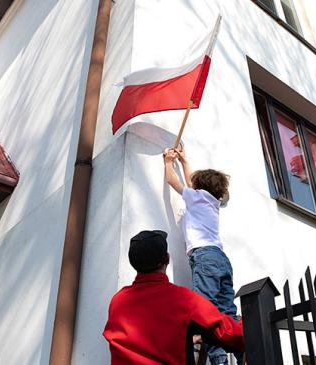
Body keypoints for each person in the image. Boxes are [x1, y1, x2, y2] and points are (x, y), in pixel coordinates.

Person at [103, 230, 244, 365]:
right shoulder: (183, 300)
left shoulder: (118, 301)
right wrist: (248, 323)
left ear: (133, 263)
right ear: (167, 259)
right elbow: (228, 332)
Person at [164, 147, 240, 365]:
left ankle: (217, 359)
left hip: (205, 256)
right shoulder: (212, 202)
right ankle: (241, 349)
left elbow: (173, 181)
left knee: (206, 310)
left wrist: (169, 162)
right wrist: (185, 160)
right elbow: (191, 183)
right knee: (226, 311)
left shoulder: (196, 197)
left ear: (199, 188)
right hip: (221, 258)